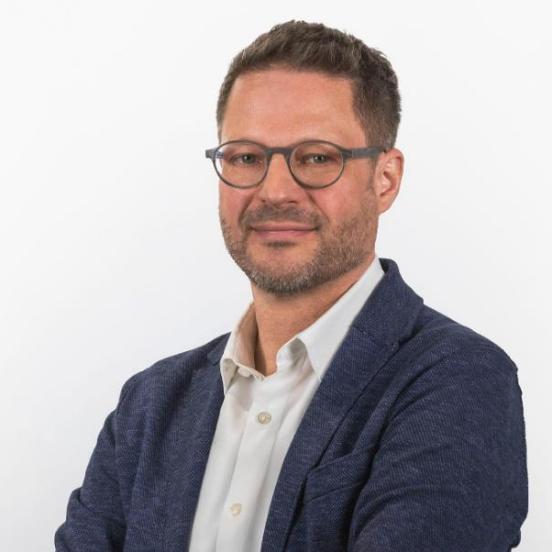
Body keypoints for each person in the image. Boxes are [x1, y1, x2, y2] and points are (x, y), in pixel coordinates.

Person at [55, 19, 528, 552]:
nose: (275, 190)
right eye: (246, 157)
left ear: (385, 179)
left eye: (317, 157)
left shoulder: (458, 381)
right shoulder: (149, 406)